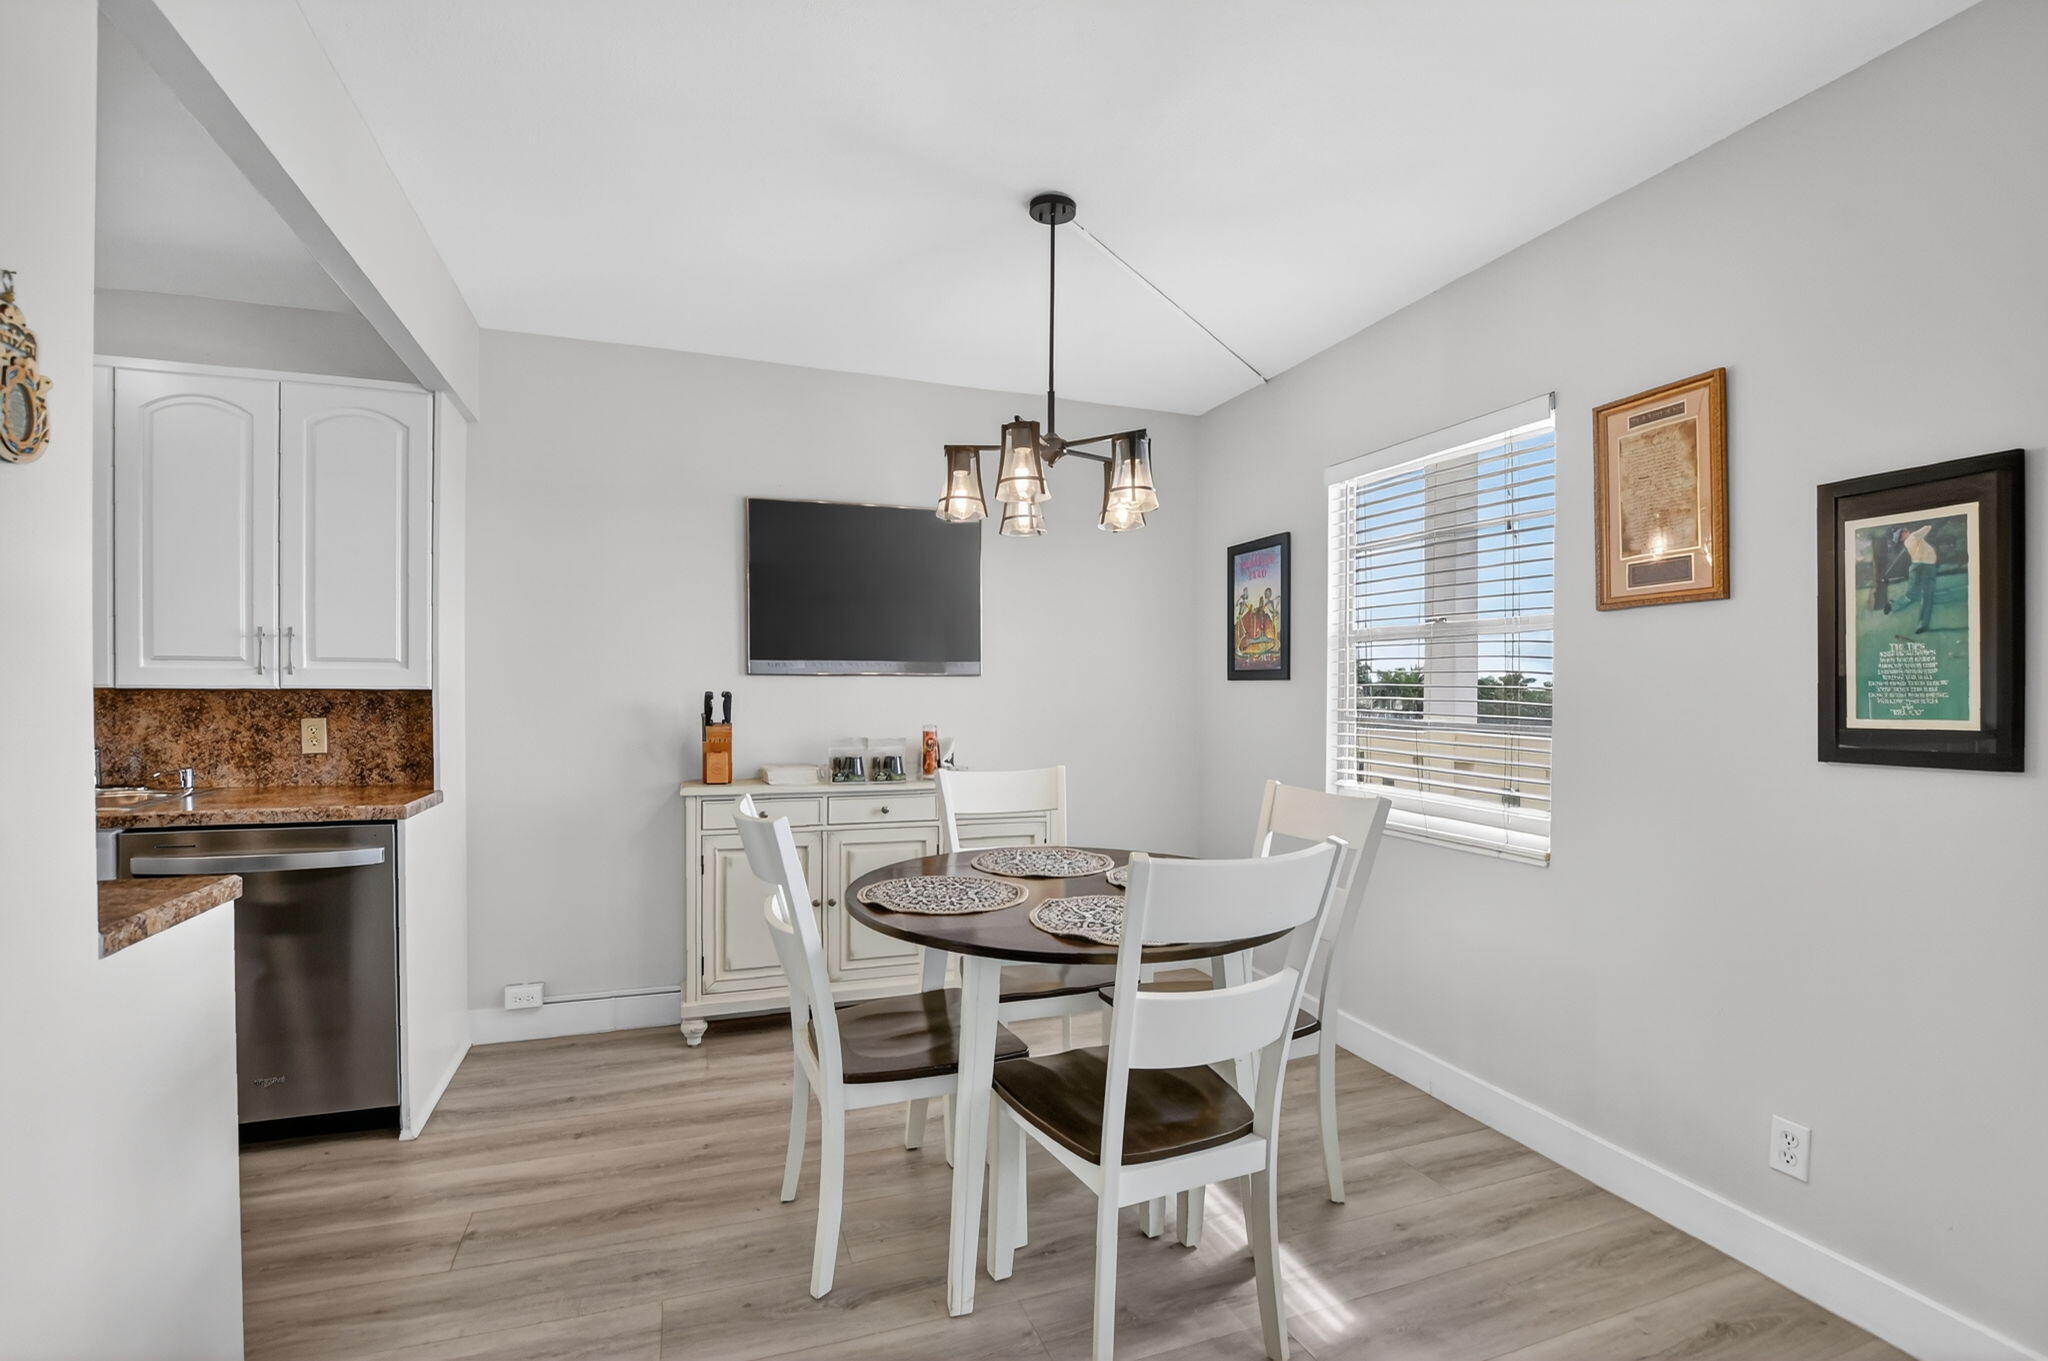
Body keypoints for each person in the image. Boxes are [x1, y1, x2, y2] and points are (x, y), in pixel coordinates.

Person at [1889, 524, 1940, 633]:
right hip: (1925, 567)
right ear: (1903, 534)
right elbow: (1928, 527)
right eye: (1902, 533)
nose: (1904, 532)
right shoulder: (1913, 536)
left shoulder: (1911, 539)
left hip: (1921, 566)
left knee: (1913, 594)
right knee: (1927, 596)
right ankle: (1922, 624)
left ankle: (1893, 605)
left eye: (1902, 532)